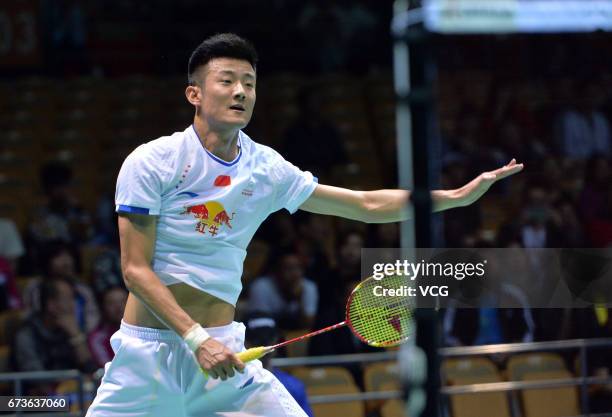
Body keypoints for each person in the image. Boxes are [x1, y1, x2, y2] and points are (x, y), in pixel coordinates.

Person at [86, 33, 523, 417]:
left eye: (250, 84)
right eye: (227, 81)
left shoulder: (265, 169)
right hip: (149, 357)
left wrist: (453, 197)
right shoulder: (153, 162)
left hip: (223, 353)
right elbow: (135, 270)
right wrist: (195, 339)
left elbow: (365, 204)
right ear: (194, 94)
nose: (241, 92)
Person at [12, 278, 97, 394]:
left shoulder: (70, 329)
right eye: (68, 300)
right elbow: (37, 380)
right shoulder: (26, 335)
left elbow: (91, 370)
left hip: (66, 398)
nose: (73, 305)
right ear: (51, 305)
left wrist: (76, 336)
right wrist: (70, 382)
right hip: (27, 403)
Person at [245, 313, 314, 417]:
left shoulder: (293, 386)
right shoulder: (231, 385)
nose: (264, 347)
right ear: (244, 342)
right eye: (257, 341)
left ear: (276, 341)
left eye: (269, 340)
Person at [249, 250, 318, 329]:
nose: (294, 273)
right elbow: (260, 325)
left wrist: (299, 299)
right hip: (267, 335)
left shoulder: (308, 287)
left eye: (298, 267)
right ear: (276, 270)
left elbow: (308, 325)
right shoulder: (261, 287)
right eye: (288, 268)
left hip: (295, 335)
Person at [87, 286, 128, 368]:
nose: (118, 307)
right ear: (103, 308)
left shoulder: (143, 331)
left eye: (123, 301)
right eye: (111, 303)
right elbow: (107, 367)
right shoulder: (97, 338)